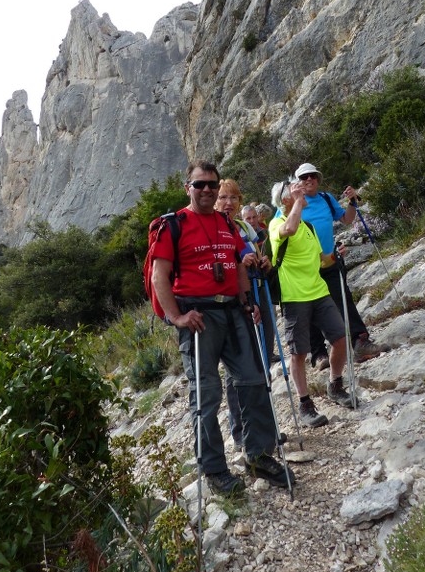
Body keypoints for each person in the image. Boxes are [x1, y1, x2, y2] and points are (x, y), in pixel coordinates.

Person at [151, 160, 294, 494]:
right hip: (197, 316)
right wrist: (177, 318)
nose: (207, 190)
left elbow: (236, 265)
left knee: (254, 379)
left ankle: (258, 455)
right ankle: (214, 469)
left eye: (212, 185)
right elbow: (160, 275)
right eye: (199, 184)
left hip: (233, 310)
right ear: (187, 187)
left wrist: (248, 303)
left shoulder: (226, 224)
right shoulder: (172, 225)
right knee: (206, 395)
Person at [269, 179, 358, 427]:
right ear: (285, 199)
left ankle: (335, 384)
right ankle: (305, 403)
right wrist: (297, 202)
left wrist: (335, 256)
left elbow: (321, 260)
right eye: (295, 190)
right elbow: (289, 229)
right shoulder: (276, 225)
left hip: (318, 292)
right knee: (299, 352)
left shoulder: (307, 226)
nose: (302, 190)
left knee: (340, 337)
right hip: (294, 297)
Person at [294, 162, 389, 368]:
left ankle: (359, 341)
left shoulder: (326, 199)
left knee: (343, 300)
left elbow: (346, 220)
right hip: (304, 267)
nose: (309, 179)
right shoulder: (292, 205)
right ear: (297, 182)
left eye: (312, 176)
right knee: (309, 308)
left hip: (330, 262)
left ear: (318, 179)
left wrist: (352, 202)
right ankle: (319, 354)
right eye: (304, 177)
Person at [215, 181, 278, 451]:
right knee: (237, 371)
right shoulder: (214, 228)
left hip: (256, 290)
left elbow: (254, 252)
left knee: (262, 361)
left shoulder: (244, 228)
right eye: (223, 197)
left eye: (234, 197)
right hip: (233, 300)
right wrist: (241, 265)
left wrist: (262, 262)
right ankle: (241, 431)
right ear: (215, 201)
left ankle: (264, 429)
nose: (229, 202)